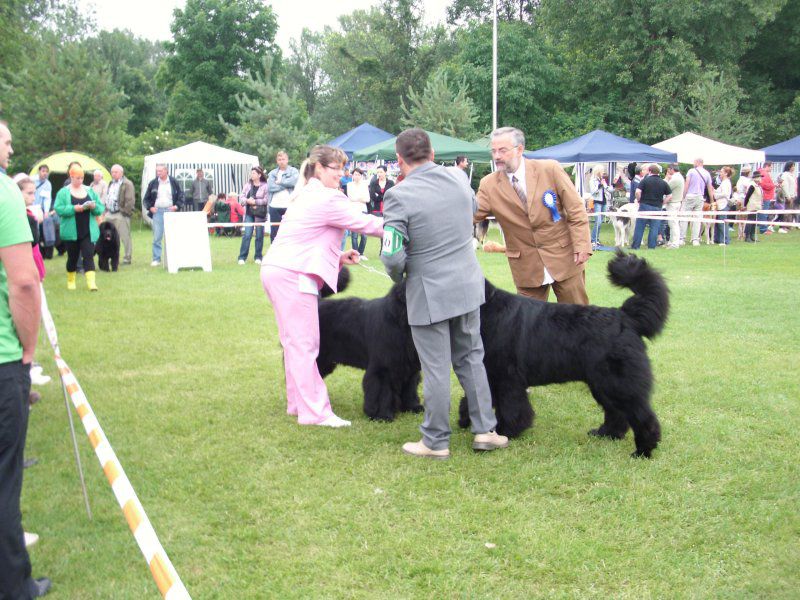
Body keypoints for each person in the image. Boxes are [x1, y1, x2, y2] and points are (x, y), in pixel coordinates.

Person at [381, 128, 507, 459]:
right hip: (467, 284)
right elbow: (472, 212)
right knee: (471, 357)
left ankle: (436, 440)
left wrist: (400, 276)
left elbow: (392, 254)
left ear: (400, 159)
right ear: (432, 153)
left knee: (436, 366)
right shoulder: (459, 180)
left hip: (428, 292)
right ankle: (485, 430)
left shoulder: (398, 195)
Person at [261, 145, 384, 428]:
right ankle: (315, 412)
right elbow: (366, 223)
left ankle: (297, 404)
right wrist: (403, 225)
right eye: (336, 169)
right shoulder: (328, 198)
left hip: (278, 270)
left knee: (294, 343)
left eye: (343, 169)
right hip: (293, 275)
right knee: (305, 344)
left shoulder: (306, 194)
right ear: (318, 169)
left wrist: (338, 257)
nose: (340, 175)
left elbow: (307, 237)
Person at [0, 121, 51, 598]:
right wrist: (28, 352)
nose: (12, 148)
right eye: (7, 140)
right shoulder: (4, 194)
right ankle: (14, 584)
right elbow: (22, 281)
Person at [475, 126, 591, 304]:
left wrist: (582, 245)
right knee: (527, 328)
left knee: (578, 320)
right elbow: (470, 215)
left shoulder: (550, 169)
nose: (497, 156)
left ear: (519, 149)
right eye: (494, 151)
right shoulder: (488, 184)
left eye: (502, 150)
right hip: (526, 267)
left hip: (564, 258)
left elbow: (576, 209)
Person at [54, 163, 104, 291]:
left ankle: (91, 284)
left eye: (82, 178)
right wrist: (73, 209)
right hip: (71, 231)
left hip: (87, 230)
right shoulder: (63, 192)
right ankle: (71, 280)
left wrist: (94, 207)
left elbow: (100, 208)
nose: (80, 180)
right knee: (73, 258)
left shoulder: (89, 190)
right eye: (77, 178)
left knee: (88, 255)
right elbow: (59, 209)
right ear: (71, 177)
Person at [143, 164, 184, 266]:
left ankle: (174, 257)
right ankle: (156, 259)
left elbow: (181, 195)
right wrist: (150, 207)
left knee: (173, 235)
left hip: (171, 211)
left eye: (160, 171)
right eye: (157, 171)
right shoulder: (153, 183)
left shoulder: (174, 182)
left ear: (166, 171)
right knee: (157, 236)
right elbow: (146, 199)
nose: (158, 173)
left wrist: (177, 206)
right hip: (158, 212)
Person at [632, 164, 672, 249]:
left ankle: (636, 246)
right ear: (658, 172)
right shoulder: (663, 182)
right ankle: (651, 246)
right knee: (654, 227)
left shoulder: (645, 181)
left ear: (649, 171)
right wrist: (663, 203)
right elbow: (670, 195)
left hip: (644, 206)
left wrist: (639, 200)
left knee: (640, 226)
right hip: (657, 207)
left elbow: (638, 192)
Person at [102, 164, 135, 265]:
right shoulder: (110, 183)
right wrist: (106, 210)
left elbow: (130, 200)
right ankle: (107, 256)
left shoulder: (127, 183)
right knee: (107, 236)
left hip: (121, 214)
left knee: (125, 237)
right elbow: (108, 197)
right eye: (112, 172)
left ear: (121, 173)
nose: (113, 174)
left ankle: (127, 257)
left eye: (115, 172)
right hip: (109, 213)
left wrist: (124, 212)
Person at [237, 166, 269, 265]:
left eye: (254, 173)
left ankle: (258, 257)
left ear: (259, 175)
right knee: (247, 235)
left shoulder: (265, 186)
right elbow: (241, 197)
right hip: (248, 214)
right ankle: (242, 257)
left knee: (259, 235)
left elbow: (266, 200)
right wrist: (247, 201)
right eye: (251, 173)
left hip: (260, 214)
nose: (252, 175)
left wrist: (255, 202)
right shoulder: (247, 185)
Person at [681, 158, 715, 246]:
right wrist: (712, 200)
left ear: (698, 162)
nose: (693, 163)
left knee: (685, 217)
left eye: (694, 162)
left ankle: (682, 238)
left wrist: (683, 196)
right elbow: (709, 188)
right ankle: (695, 239)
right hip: (700, 197)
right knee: (697, 219)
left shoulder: (691, 171)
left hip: (690, 196)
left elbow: (687, 184)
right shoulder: (707, 173)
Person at [266, 151, 299, 243]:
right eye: (279, 159)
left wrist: (279, 182)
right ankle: (274, 254)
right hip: (274, 206)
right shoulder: (272, 173)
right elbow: (270, 187)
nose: (281, 161)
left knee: (290, 231)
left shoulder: (294, 171)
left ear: (287, 160)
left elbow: (293, 182)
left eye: (283, 159)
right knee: (275, 232)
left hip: (289, 206)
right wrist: (285, 184)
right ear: (277, 161)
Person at [33, 165, 56, 259]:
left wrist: (46, 211)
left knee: (48, 221)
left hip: (40, 209)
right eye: (43, 171)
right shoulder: (31, 180)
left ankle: (49, 249)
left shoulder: (48, 184)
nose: (45, 173)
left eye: (46, 171)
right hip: (30, 206)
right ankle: (35, 249)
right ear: (39, 171)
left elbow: (47, 199)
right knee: (34, 228)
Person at [346, 168, 369, 254]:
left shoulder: (364, 185)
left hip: (363, 210)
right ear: (352, 175)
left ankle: (361, 252)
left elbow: (367, 199)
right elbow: (351, 198)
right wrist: (360, 197)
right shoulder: (349, 185)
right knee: (354, 234)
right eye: (355, 174)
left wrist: (357, 198)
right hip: (353, 210)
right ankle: (355, 253)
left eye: (359, 174)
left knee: (364, 235)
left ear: (361, 176)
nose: (357, 176)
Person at [588, 164, 612, 247]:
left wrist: (613, 184)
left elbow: (609, 189)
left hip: (604, 202)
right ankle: (593, 240)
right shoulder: (592, 180)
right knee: (597, 222)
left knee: (600, 222)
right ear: (598, 171)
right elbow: (593, 192)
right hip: (597, 202)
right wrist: (599, 186)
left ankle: (596, 239)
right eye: (602, 171)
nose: (603, 172)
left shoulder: (602, 180)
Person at [664, 164, 684, 248]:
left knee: (673, 223)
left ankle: (675, 243)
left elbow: (666, 188)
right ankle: (671, 241)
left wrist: (666, 179)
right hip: (676, 202)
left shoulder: (675, 178)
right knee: (672, 223)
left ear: (671, 169)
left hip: (673, 203)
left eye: (668, 170)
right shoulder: (679, 177)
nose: (668, 171)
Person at [713, 166, 733, 244]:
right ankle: (718, 239)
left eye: (721, 172)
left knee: (722, 223)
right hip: (720, 204)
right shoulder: (724, 182)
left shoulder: (726, 182)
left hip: (723, 204)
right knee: (718, 223)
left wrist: (715, 194)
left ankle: (725, 240)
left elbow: (725, 194)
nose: (720, 173)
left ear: (726, 173)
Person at [743, 170, 763, 243]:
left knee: (754, 221)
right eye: (759, 177)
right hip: (752, 206)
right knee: (750, 221)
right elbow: (747, 196)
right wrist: (745, 205)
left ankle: (752, 235)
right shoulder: (752, 185)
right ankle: (747, 236)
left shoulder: (757, 186)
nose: (761, 178)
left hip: (756, 206)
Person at [735, 165, 753, 241]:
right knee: (744, 218)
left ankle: (740, 234)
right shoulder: (746, 180)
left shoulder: (740, 179)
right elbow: (748, 189)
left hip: (739, 198)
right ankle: (743, 234)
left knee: (740, 218)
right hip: (744, 199)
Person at [777, 162, 796, 232]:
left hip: (792, 195)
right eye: (792, 166)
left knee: (790, 212)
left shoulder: (792, 175)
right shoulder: (785, 175)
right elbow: (785, 186)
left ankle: (788, 226)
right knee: (786, 212)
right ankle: (783, 227)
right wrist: (788, 196)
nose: (794, 167)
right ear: (789, 167)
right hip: (788, 196)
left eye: (794, 166)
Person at [758, 162, 775, 234]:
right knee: (764, 213)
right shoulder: (764, 174)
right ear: (767, 166)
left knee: (763, 213)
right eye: (771, 167)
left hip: (765, 196)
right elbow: (763, 184)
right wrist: (773, 185)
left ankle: (763, 227)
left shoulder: (762, 173)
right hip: (765, 196)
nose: (772, 168)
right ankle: (763, 229)